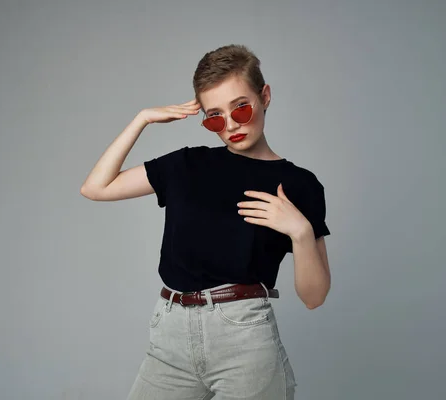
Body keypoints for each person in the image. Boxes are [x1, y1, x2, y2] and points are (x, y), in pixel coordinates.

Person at [80, 44, 331, 400]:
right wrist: (142, 119)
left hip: (243, 338)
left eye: (240, 108)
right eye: (215, 117)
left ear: (265, 96)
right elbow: (95, 187)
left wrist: (301, 232)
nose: (230, 125)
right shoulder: (186, 166)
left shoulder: (299, 184)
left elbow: (314, 297)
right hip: (169, 334)